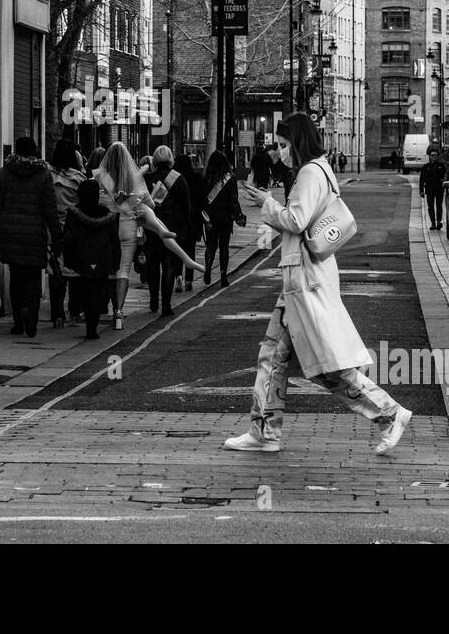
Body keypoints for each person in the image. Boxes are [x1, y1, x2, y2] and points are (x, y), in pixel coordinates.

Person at [226, 113, 413, 455]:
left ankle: (390, 413)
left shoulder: (310, 172)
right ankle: (264, 431)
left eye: (283, 145)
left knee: (327, 367)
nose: (280, 152)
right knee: (275, 357)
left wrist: (266, 205)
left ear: (296, 142)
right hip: (300, 282)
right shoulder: (319, 170)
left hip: (304, 283)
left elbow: (296, 220)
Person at [94, 141, 204, 330]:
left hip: (108, 226)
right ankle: (119, 312)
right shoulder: (134, 178)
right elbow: (150, 203)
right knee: (124, 270)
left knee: (111, 270)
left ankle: (116, 306)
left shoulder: (99, 176)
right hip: (130, 223)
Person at [0, 136, 61, 338]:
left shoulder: (4, 174)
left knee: (16, 278)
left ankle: (18, 320)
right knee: (33, 278)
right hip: (35, 234)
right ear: (34, 151)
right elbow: (50, 211)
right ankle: (31, 315)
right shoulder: (44, 175)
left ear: (16, 151)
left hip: (9, 234)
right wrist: (57, 236)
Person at [59, 178, 120, 340]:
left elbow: (69, 238)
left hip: (82, 259)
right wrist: (116, 261)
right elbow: (114, 239)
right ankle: (93, 326)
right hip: (102, 257)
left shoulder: (74, 213)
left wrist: (67, 257)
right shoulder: (108, 215)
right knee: (98, 292)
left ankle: (85, 320)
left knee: (83, 291)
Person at [144, 146, 194, 318]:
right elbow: (186, 207)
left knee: (152, 265)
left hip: (152, 228)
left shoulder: (148, 177)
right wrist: (186, 230)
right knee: (168, 266)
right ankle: (166, 305)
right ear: (171, 159)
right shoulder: (179, 179)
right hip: (172, 229)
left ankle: (153, 300)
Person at [48, 139, 88, 327]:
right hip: (74, 230)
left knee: (55, 272)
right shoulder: (79, 179)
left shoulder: (47, 175)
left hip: (52, 228)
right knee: (74, 272)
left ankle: (57, 314)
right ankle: (74, 310)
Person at [201, 149, 243, 287]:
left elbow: (202, 199)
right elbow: (233, 200)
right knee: (224, 247)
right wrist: (238, 216)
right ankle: (223, 276)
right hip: (225, 218)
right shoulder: (230, 179)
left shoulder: (206, 178)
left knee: (211, 246)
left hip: (210, 218)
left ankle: (208, 267)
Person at [174, 153, 205, 292]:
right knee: (190, 250)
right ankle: (189, 280)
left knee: (177, 250)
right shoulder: (197, 178)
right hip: (193, 220)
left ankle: (178, 276)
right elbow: (201, 201)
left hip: (177, 221)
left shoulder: (173, 178)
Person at [419, 149, 447, 230]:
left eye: (435, 155)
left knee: (439, 206)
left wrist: (444, 182)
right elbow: (422, 179)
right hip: (429, 190)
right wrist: (421, 191)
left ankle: (438, 222)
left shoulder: (441, 166)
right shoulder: (425, 167)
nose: (434, 157)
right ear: (430, 156)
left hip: (439, 189)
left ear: (437, 156)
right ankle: (433, 223)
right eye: (432, 155)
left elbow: (445, 176)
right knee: (430, 207)